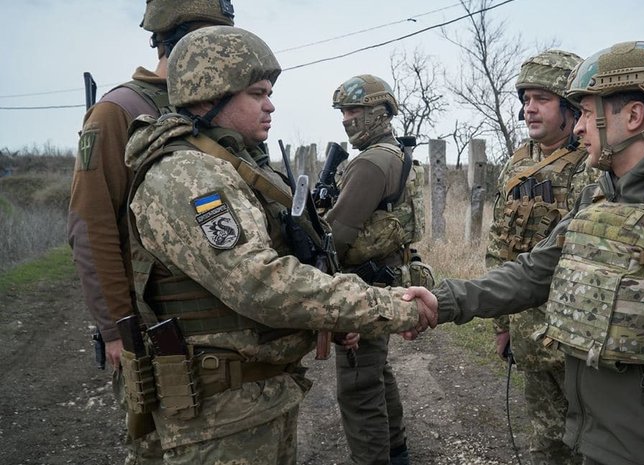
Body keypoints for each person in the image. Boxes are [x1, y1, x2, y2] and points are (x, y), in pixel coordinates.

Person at [404, 40, 644, 465]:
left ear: (634, 116)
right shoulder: (601, 197)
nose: (579, 127)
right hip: (598, 441)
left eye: (586, 112)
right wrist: (445, 300)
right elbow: (534, 273)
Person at [123, 26, 433, 465]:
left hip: (248, 400)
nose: (271, 105)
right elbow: (261, 282)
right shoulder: (188, 176)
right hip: (217, 418)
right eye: (258, 93)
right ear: (213, 94)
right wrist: (393, 307)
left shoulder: (227, 165)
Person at [67, 0, 234, 462]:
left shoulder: (214, 105)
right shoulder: (118, 111)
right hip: (155, 328)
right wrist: (116, 328)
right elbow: (91, 225)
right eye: (211, 38)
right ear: (176, 39)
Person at [487, 49, 590, 465]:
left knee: (591, 438)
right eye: (526, 99)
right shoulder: (516, 165)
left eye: (542, 99)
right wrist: (501, 322)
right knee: (546, 440)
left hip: (577, 334)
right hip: (529, 328)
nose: (530, 108)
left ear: (570, 107)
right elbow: (498, 247)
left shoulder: (593, 165)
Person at [325, 74, 426, 465]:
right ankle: (396, 450)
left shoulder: (370, 162)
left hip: (362, 285)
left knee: (357, 386)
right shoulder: (396, 153)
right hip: (382, 278)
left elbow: (336, 236)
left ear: (380, 112)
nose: (347, 119)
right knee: (377, 374)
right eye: (343, 112)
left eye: (354, 110)